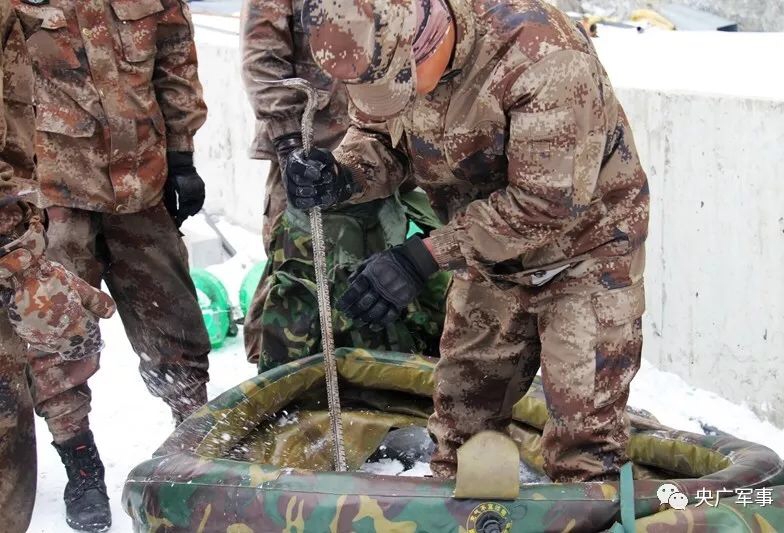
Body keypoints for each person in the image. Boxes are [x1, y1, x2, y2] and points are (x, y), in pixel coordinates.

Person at [292, 0, 649, 482]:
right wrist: (343, 175)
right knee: (461, 427)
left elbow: (546, 203)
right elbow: (380, 134)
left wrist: (423, 256)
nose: (394, 96)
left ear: (426, 40)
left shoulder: (544, 57)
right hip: (488, 258)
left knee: (584, 450)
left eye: (399, 83)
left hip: (585, 255)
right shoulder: (381, 44)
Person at [13, 0, 210, 529]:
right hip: (53, 195)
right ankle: (81, 465)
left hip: (143, 184)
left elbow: (175, 55)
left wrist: (182, 155)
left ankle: (194, 448)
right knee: (57, 340)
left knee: (176, 324)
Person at [240, 0, 446, 374]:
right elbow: (263, 56)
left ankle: (381, 385)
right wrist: (291, 145)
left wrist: (422, 258)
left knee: (384, 289)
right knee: (301, 286)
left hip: (396, 150)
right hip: (315, 150)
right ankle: (289, 391)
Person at [0, 3, 115, 532]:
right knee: (47, 335)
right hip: (44, 205)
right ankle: (79, 461)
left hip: (132, 180)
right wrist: (20, 259)